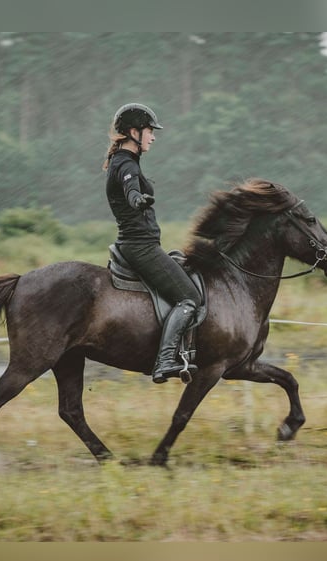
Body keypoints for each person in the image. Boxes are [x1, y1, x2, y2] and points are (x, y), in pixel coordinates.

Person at [103, 103, 202, 383]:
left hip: (139, 244)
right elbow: (130, 186)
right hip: (140, 247)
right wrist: (137, 199)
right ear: (134, 132)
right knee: (189, 298)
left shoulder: (124, 162)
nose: (153, 137)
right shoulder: (125, 164)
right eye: (149, 131)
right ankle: (165, 360)